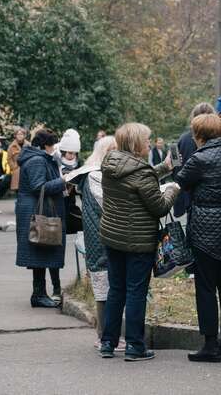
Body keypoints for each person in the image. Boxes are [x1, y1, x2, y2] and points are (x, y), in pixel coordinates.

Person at [99, 123, 180, 362]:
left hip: (112, 238)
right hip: (137, 242)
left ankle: (107, 342)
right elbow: (160, 206)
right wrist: (173, 188)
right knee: (136, 291)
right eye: (146, 140)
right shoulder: (141, 172)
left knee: (116, 290)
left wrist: (164, 167)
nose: (149, 143)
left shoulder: (111, 163)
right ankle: (135, 345)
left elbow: (137, 177)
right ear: (135, 145)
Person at [176, 114, 221, 363]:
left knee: (205, 288)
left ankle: (210, 345)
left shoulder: (200, 158)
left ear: (200, 135)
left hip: (206, 230)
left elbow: (181, 181)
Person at [74, 135, 123, 350]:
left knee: (108, 284)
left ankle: (107, 336)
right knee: (104, 285)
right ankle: (105, 336)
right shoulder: (95, 176)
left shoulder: (94, 174)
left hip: (101, 236)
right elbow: (109, 204)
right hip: (101, 238)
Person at [15, 129, 67, 308]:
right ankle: (38, 294)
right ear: (46, 145)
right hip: (36, 212)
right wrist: (63, 181)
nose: (54, 148)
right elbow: (39, 187)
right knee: (39, 251)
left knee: (40, 252)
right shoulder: (37, 160)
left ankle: (40, 293)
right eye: (53, 145)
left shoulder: (36, 158)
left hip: (34, 210)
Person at [173, 103, 216, 218]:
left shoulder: (183, 139)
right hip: (216, 197)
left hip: (191, 198)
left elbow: (176, 168)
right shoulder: (220, 138)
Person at [7, 128, 27, 193]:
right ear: (15, 135)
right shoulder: (11, 146)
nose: (20, 136)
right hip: (17, 170)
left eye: (21, 134)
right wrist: (13, 167)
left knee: (27, 190)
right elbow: (9, 159)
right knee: (18, 191)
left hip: (27, 169)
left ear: (24, 135)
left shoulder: (28, 145)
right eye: (18, 134)